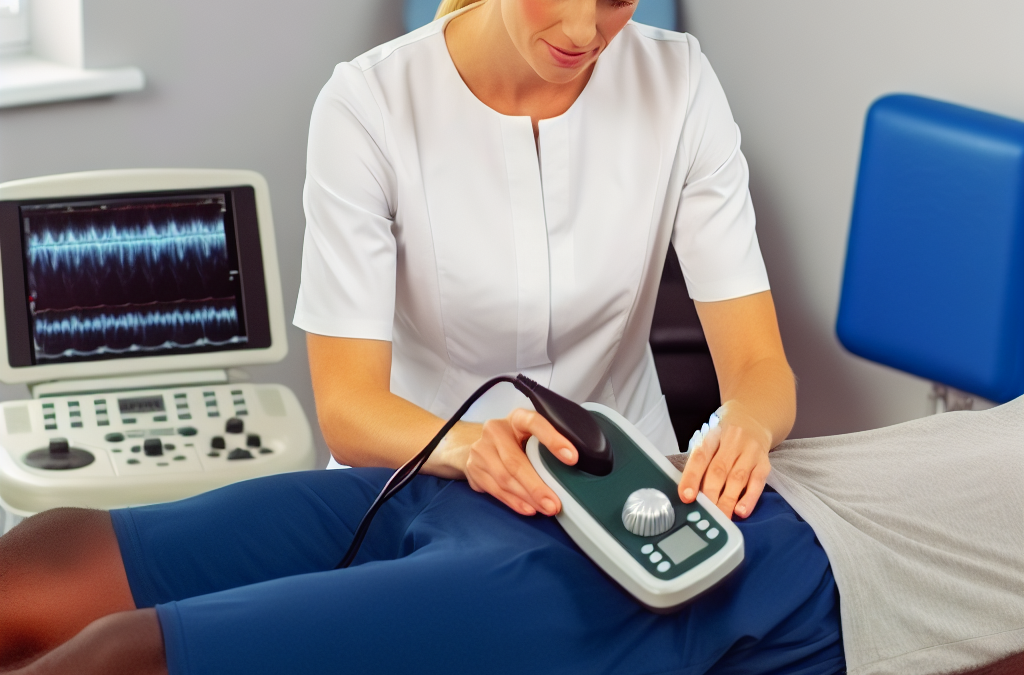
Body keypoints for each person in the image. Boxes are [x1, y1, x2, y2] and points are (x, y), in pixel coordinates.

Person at [0, 2, 844, 674]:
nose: (586, 31)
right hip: (407, 475)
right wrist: (475, 447)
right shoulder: (370, 103)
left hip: (602, 516)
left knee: (125, 653)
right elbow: (348, 408)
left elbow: (760, 366)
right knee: (39, 565)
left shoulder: (679, 82)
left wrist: (747, 423)